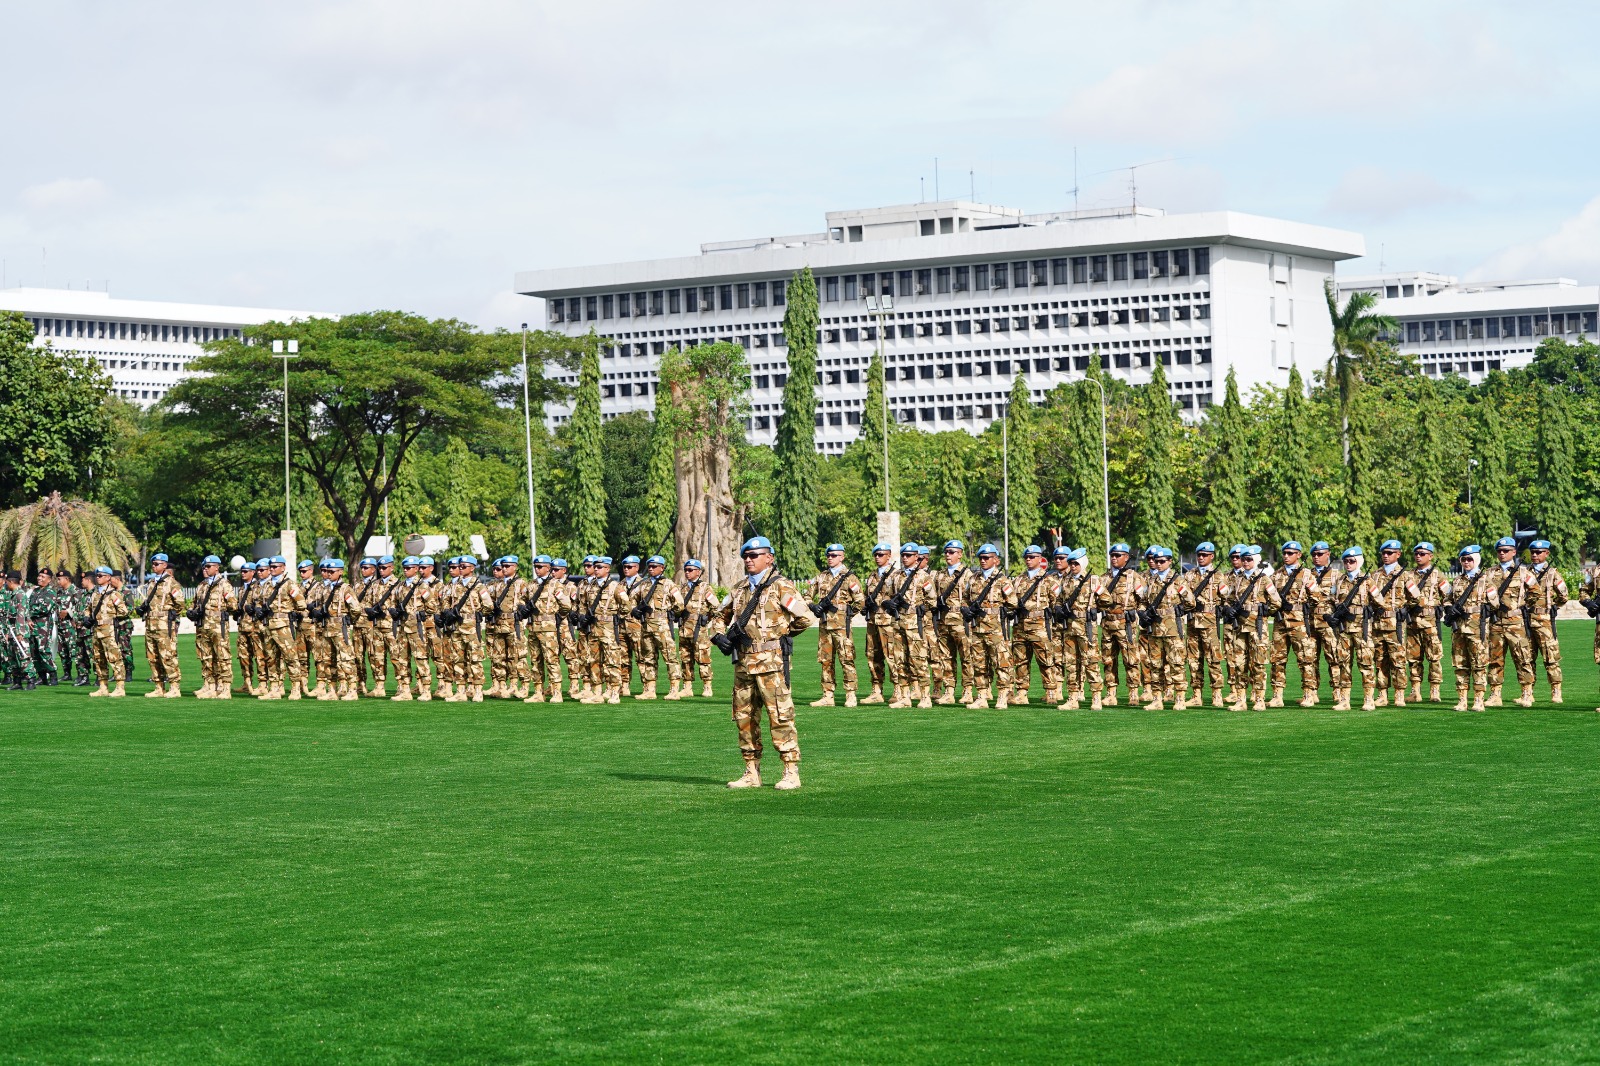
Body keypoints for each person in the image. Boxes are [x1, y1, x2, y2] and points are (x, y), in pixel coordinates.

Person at [716, 536, 816, 790]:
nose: (749, 560)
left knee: (780, 716)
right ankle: (751, 772)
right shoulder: (739, 589)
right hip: (744, 664)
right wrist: (719, 636)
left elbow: (805, 617)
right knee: (744, 718)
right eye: (746, 556)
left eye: (754, 555)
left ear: (769, 558)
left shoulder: (781, 586)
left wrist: (781, 634)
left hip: (772, 665)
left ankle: (790, 771)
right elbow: (718, 614)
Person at [1221, 545, 1281, 711]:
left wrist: (1264, 611)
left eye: (1249, 559)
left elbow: (1276, 602)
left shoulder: (1264, 579)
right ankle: (1241, 699)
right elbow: (1228, 598)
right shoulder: (1236, 579)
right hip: (1239, 627)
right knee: (1239, 664)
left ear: (1256, 560)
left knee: (1258, 664)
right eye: (1243, 559)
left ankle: (1259, 698)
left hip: (1257, 627)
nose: (1245, 562)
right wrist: (1228, 608)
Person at [1137, 546, 1196, 710]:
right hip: (1155, 629)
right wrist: (1142, 613)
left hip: (1172, 630)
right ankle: (1157, 699)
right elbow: (1143, 601)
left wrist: (1180, 610)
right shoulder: (1150, 580)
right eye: (1157, 561)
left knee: (1177, 663)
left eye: (1162, 561)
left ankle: (1179, 698)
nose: (1159, 564)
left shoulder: (1178, 580)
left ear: (1170, 561)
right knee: (1155, 665)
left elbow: (1191, 602)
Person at [807, 544, 864, 707]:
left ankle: (851, 694)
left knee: (846, 659)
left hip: (841, 626)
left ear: (842, 557)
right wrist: (813, 606)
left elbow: (860, 601)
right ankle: (827, 695)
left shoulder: (849, 577)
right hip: (825, 625)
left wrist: (847, 614)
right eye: (829, 555)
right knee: (825, 661)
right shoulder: (820, 577)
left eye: (834, 555)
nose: (830, 558)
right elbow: (806, 596)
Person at [1442, 545, 1497, 712]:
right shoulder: (1457, 580)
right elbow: (1447, 598)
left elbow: (1495, 603)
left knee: (1479, 664)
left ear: (1476, 560)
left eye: (1469, 559)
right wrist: (1449, 608)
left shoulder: (1486, 580)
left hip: (1476, 628)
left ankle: (1479, 699)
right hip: (1459, 629)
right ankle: (1462, 699)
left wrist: (1484, 609)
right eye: (1463, 559)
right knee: (1460, 665)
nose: (1466, 562)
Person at [1484, 536, 1536, 708]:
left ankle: (1527, 693)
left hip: (1515, 622)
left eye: (1506, 551)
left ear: (1514, 552)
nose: (1502, 553)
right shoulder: (1489, 573)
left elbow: (1536, 592)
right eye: (1499, 551)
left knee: (1522, 657)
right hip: (1496, 621)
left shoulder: (1523, 572)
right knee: (1494, 658)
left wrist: (1522, 606)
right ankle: (1495, 694)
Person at [963, 543, 1015, 710]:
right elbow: (965, 599)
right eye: (981, 558)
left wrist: (998, 612)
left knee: (1000, 662)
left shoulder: (1002, 580)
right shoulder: (973, 579)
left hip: (996, 629)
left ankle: (1002, 695)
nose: (983, 561)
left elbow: (1013, 603)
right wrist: (967, 610)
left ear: (996, 560)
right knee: (979, 663)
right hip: (977, 627)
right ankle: (981, 695)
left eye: (987, 558)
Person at [1268, 542, 1320, 707]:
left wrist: (1303, 607)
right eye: (1284, 553)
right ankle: (1277, 696)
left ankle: (1308, 694)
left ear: (1298, 555)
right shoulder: (1276, 575)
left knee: (1305, 658)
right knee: (1277, 659)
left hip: (1298, 622)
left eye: (1290, 553)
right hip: (1280, 621)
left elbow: (1316, 597)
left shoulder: (1306, 575)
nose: (1286, 556)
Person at [1323, 546, 1374, 711]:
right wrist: (1330, 615)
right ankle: (1344, 700)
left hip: (1361, 629)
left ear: (1359, 562)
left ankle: (1368, 699)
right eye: (1346, 561)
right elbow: (1330, 601)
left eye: (1352, 561)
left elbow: (1380, 601)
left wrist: (1369, 610)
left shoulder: (1368, 581)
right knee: (1344, 664)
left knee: (1365, 664)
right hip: (1344, 630)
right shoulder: (1339, 581)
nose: (1348, 564)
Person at [1052, 548, 1102, 710]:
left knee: (1091, 662)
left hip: (1086, 627)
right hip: (1069, 628)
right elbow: (1059, 599)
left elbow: (1106, 599)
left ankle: (1096, 697)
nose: (1072, 566)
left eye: (1076, 563)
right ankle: (1073, 698)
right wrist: (1058, 608)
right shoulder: (1065, 580)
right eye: (1071, 563)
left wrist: (1096, 607)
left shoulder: (1092, 580)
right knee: (1071, 664)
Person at [1097, 543, 1145, 707]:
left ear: (1126, 557)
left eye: (1118, 555)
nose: (1114, 558)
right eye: (1112, 555)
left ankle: (1133, 692)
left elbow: (1143, 599)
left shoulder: (1134, 577)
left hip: (1126, 623)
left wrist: (1136, 611)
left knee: (1131, 659)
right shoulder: (1104, 578)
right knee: (1108, 659)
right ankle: (1111, 692)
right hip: (1108, 623)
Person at [1365, 540, 1412, 708]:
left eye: (1390, 553)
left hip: (1395, 625)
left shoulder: (1405, 575)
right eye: (1383, 553)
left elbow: (1416, 597)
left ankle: (1399, 693)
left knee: (1398, 660)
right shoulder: (1374, 575)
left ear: (1398, 554)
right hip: (1377, 624)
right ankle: (1382, 693)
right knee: (1379, 660)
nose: (1386, 556)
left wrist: (1406, 609)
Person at [631, 555, 684, 701]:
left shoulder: (668, 584)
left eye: (654, 566)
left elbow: (680, 603)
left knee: (670, 657)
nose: (651, 569)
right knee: (648, 658)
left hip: (662, 626)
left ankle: (674, 689)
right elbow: (631, 599)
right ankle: (650, 689)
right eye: (649, 566)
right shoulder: (643, 584)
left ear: (662, 568)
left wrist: (670, 613)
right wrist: (634, 609)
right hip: (646, 625)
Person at [1009, 545, 1056, 706]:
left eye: (1032, 557)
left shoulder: (1049, 579)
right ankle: (1022, 692)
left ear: (1040, 559)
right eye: (1027, 557)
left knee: (1045, 659)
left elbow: (1056, 601)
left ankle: (1051, 690)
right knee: (1020, 660)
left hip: (1040, 625)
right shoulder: (1018, 580)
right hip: (1020, 625)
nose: (1028, 560)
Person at [1181, 542, 1226, 707]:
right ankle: (1196, 695)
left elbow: (1225, 598)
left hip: (1209, 623)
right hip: (1192, 621)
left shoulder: (1219, 576)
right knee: (1193, 659)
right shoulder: (1189, 575)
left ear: (1212, 556)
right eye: (1199, 555)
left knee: (1213, 658)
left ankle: (1217, 694)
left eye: (1205, 555)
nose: (1201, 558)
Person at [259, 556, 309, 700]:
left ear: (283, 567)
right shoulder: (267, 585)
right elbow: (261, 602)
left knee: (290, 657)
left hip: (284, 626)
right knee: (271, 657)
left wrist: (290, 612)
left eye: (275, 567)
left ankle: (295, 688)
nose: (272, 569)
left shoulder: (289, 585)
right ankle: (274, 688)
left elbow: (301, 604)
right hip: (269, 624)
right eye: (271, 567)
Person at [930, 541, 973, 705]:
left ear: (960, 554)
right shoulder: (939, 575)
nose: (948, 555)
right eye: (946, 552)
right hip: (943, 620)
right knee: (946, 657)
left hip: (961, 622)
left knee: (966, 657)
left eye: (952, 552)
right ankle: (949, 690)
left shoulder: (968, 575)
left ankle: (968, 690)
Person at [521, 554, 569, 702]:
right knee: (535, 661)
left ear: (548, 568)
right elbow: (522, 600)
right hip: (533, 627)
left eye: (540, 567)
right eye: (535, 566)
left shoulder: (556, 585)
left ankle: (557, 693)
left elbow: (566, 605)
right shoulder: (531, 584)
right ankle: (538, 692)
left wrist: (555, 617)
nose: (537, 569)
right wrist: (522, 608)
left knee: (551, 660)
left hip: (548, 629)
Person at [888, 544, 931, 708]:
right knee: (900, 659)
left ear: (916, 557)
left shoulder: (923, 577)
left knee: (919, 659)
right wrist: (889, 604)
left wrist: (922, 608)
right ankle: (905, 696)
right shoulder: (896, 576)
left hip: (915, 623)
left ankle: (925, 696)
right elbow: (888, 594)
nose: (905, 558)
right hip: (898, 621)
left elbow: (932, 600)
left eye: (909, 555)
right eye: (903, 555)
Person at [1405, 543, 1448, 704]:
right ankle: (1415, 690)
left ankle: (1434, 689)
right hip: (1413, 622)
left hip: (1430, 622)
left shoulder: (1439, 576)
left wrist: (1441, 609)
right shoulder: (1408, 575)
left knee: (1434, 656)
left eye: (1422, 554)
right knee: (1413, 658)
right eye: (1416, 553)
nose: (1418, 556)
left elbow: (1449, 596)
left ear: (1430, 556)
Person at [1525, 538, 1567, 703]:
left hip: (1544, 621)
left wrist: (1552, 607)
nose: (1535, 555)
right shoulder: (1524, 572)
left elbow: (1564, 595)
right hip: (1526, 619)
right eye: (1533, 552)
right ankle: (1528, 692)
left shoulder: (1552, 573)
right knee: (1527, 657)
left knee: (1550, 657)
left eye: (1538, 552)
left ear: (1546, 553)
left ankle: (1556, 690)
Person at [478, 556, 525, 699]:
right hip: (498, 624)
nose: (502, 569)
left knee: (516, 656)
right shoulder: (497, 585)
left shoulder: (520, 583)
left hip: (513, 624)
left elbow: (525, 600)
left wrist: (521, 610)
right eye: (500, 567)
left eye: (505, 566)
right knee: (498, 657)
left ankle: (517, 686)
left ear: (515, 566)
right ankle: (500, 686)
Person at [190, 555, 237, 699]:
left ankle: (225, 687)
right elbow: (194, 602)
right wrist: (192, 611)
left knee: (222, 656)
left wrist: (221, 611)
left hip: (218, 626)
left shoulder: (224, 584)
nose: (205, 569)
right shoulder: (202, 585)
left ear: (217, 567)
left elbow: (233, 605)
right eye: (204, 566)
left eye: (208, 567)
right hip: (203, 625)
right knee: (206, 657)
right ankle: (210, 685)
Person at [141, 553, 186, 697]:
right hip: (151, 624)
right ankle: (159, 687)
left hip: (164, 625)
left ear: (165, 565)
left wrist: (170, 614)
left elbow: (180, 603)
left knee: (167, 655)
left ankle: (174, 687)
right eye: (153, 564)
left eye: (157, 564)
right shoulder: (152, 583)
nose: (154, 566)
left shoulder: (171, 583)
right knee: (152, 656)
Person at [860, 544, 900, 705]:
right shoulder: (871, 576)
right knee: (872, 656)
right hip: (872, 621)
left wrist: (890, 603)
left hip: (888, 622)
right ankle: (877, 689)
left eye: (881, 554)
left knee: (891, 656)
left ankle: (898, 688)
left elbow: (901, 596)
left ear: (889, 555)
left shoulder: (896, 575)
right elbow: (865, 595)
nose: (878, 557)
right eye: (876, 554)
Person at [676, 559, 720, 699]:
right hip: (684, 630)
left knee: (703, 658)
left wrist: (707, 618)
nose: (687, 573)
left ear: (698, 572)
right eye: (686, 570)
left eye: (691, 570)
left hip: (699, 631)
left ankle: (707, 686)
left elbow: (716, 607)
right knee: (685, 658)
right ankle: (687, 686)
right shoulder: (682, 588)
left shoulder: (705, 588)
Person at [87, 566, 127, 697]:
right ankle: (103, 686)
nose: (97, 578)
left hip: (109, 630)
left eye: (101, 576)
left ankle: (120, 687)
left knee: (115, 658)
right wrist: (87, 617)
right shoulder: (95, 594)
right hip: (97, 629)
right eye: (97, 576)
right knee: (98, 659)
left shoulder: (114, 594)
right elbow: (89, 609)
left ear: (108, 578)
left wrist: (112, 618)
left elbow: (123, 611)